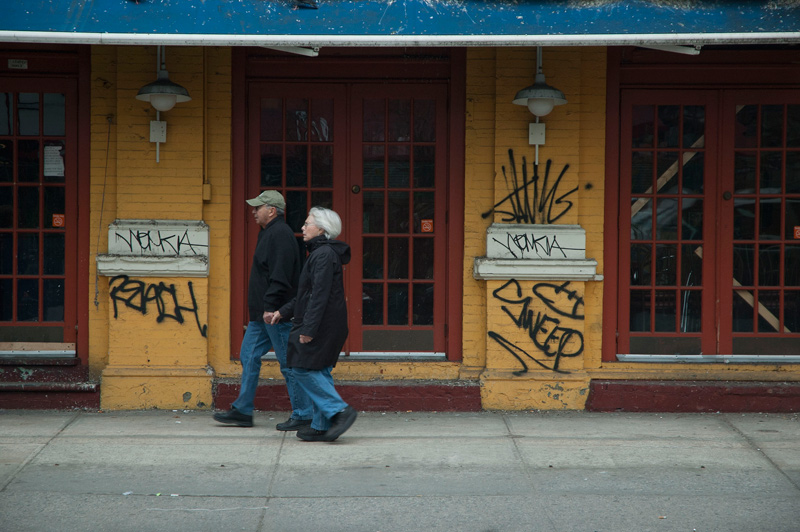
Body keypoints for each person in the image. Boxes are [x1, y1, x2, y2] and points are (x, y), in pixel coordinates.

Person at [213, 190, 313, 430]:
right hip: (261, 316)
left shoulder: (280, 234)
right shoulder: (269, 233)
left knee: (288, 364)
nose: (253, 211)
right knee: (248, 356)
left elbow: (280, 276)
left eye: (258, 207)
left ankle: (303, 414)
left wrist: (270, 308)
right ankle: (243, 411)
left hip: (275, 315)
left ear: (271, 210)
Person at [270, 207, 357, 442]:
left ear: (321, 228)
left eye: (307, 223)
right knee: (318, 370)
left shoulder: (323, 255)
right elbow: (306, 294)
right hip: (327, 324)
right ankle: (321, 425)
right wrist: (283, 311)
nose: (302, 227)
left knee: (301, 368)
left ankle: (339, 411)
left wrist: (308, 329)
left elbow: (319, 296)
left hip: (322, 326)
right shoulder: (320, 253)